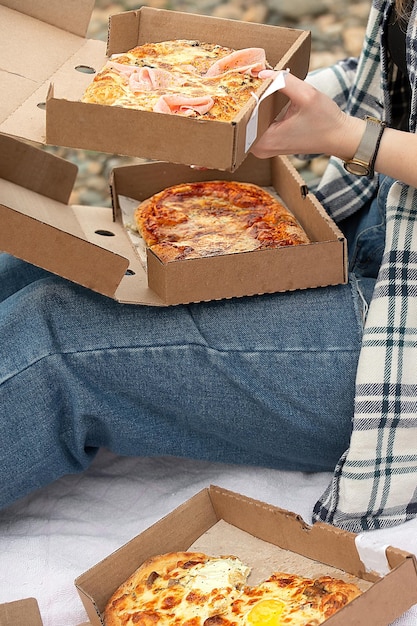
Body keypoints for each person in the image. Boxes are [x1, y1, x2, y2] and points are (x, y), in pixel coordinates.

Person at [0, 0, 415, 533]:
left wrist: (351, 138)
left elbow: (359, 133)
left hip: (403, 339)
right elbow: (391, 76)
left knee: (51, 338)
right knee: (40, 266)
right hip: (384, 223)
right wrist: (241, 107)